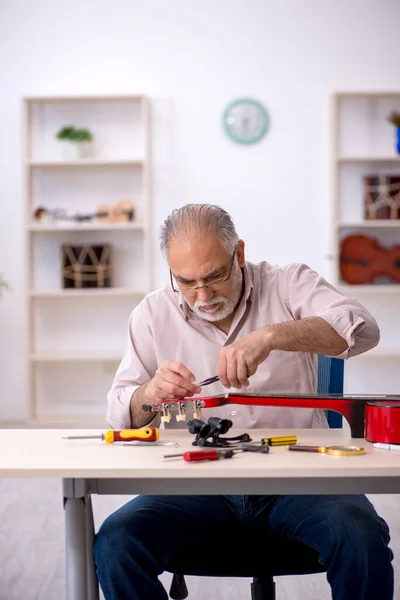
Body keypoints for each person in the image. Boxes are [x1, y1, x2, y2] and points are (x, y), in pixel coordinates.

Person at [94, 204, 393, 600]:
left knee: (361, 537)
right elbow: (119, 414)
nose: (203, 295)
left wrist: (271, 336)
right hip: (195, 485)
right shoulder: (152, 313)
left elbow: (364, 330)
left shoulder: (288, 283)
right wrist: (148, 395)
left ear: (239, 254)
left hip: (301, 478)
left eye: (215, 276)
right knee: (116, 544)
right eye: (187, 281)